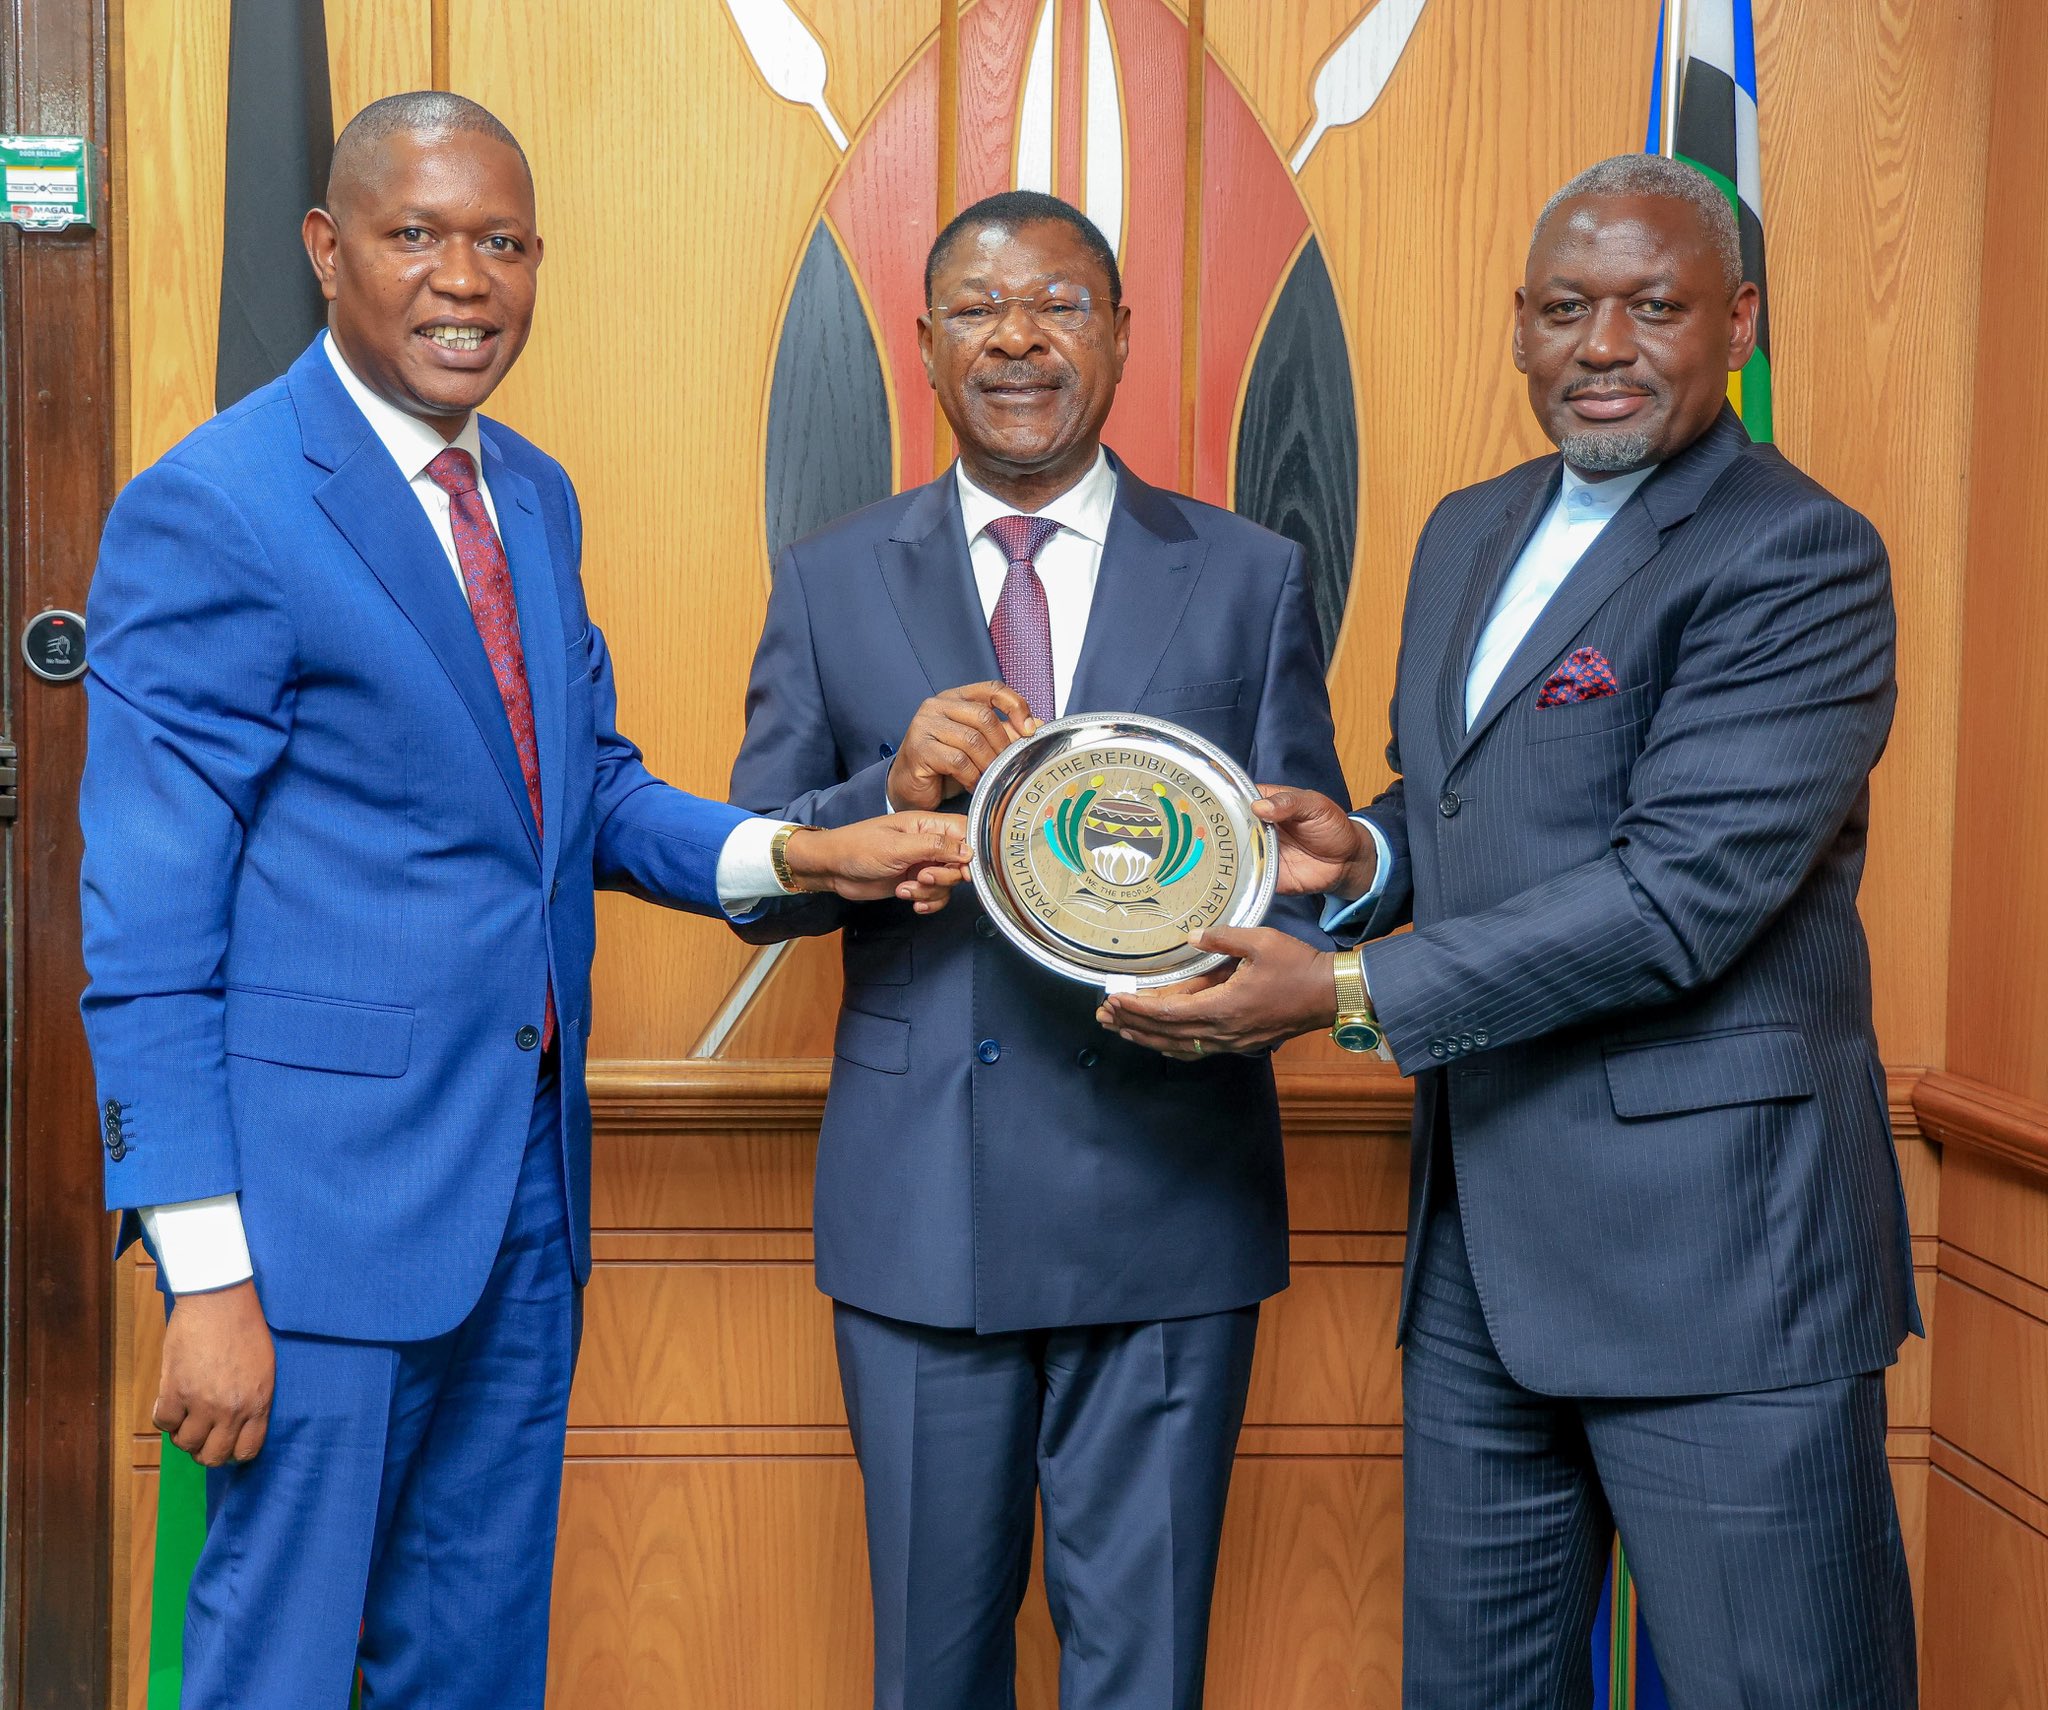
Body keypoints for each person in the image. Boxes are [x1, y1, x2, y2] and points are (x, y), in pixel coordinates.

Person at [79, 92, 967, 1709]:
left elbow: (585, 794)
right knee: (273, 1668)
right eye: (416, 236)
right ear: (326, 250)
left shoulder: (531, 497)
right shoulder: (219, 505)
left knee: (478, 1667)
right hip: (309, 1235)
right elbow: (142, 928)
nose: (463, 281)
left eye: (500, 242)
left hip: (520, 1203)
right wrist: (203, 1271)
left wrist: (802, 854)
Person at [1100, 154, 1921, 1709]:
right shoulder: (1471, 529)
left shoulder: (1797, 552)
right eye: (1565, 309)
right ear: (1519, 331)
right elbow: (1475, 804)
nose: (1603, 344)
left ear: (1737, 322)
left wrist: (1342, 987)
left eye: (1653, 306)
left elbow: (1679, 893)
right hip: (1485, 1260)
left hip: (1723, 1269)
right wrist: (1364, 855)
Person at [729, 190, 1348, 1709]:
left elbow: (1308, 870)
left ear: (1124, 337)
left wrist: (1284, 942)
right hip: (920, 1202)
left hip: (1169, 1197)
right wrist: (886, 791)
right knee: (929, 1674)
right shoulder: (829, 575)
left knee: (1145, 1673)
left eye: (1062, 304)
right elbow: (759, 873)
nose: (1019, 336)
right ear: (926, 346)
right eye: (981, 309)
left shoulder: (1250, 571)